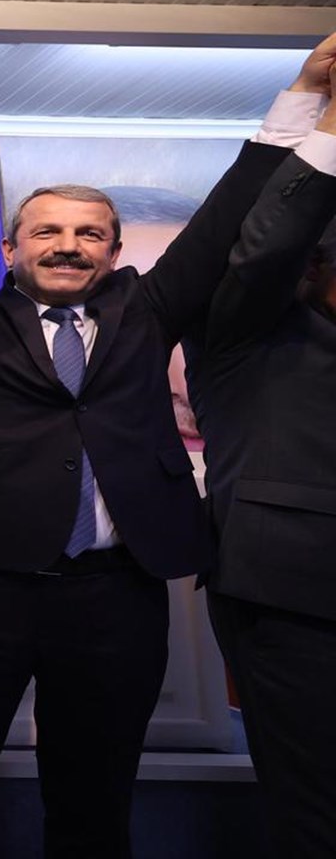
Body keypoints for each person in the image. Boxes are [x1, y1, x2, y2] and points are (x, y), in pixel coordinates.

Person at [0, 32, 336, 858]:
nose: (68, 244)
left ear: (114, 254)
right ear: (9, 250)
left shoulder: (147, 310)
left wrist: (305, 94)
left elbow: (228, 215)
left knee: (97, 797)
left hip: (115, 595)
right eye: (46, 230)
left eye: (89, 234)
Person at [190, 72, 336, 857]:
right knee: (316, 807)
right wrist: (328, 114)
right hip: (295, 595)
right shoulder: (242, 326)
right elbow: (269, 243)